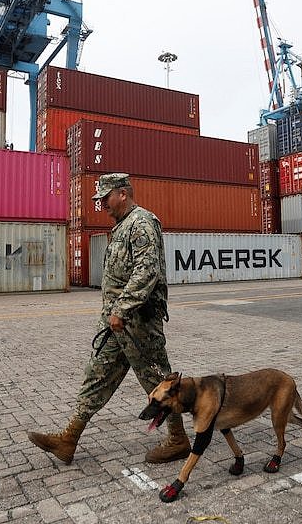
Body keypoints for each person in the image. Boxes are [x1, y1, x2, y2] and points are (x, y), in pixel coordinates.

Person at [28, 173, 191, 465]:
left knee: (158, 381)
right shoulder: (121, 227)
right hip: (117, 325)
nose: (101, 204)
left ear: (122, 194)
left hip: (138, 322)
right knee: (97, 376)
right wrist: (114, 314)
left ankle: (178, 440)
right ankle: (69, 439)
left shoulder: (142, 223)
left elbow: (146, 271)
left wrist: (122, 309)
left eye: (105, 198)